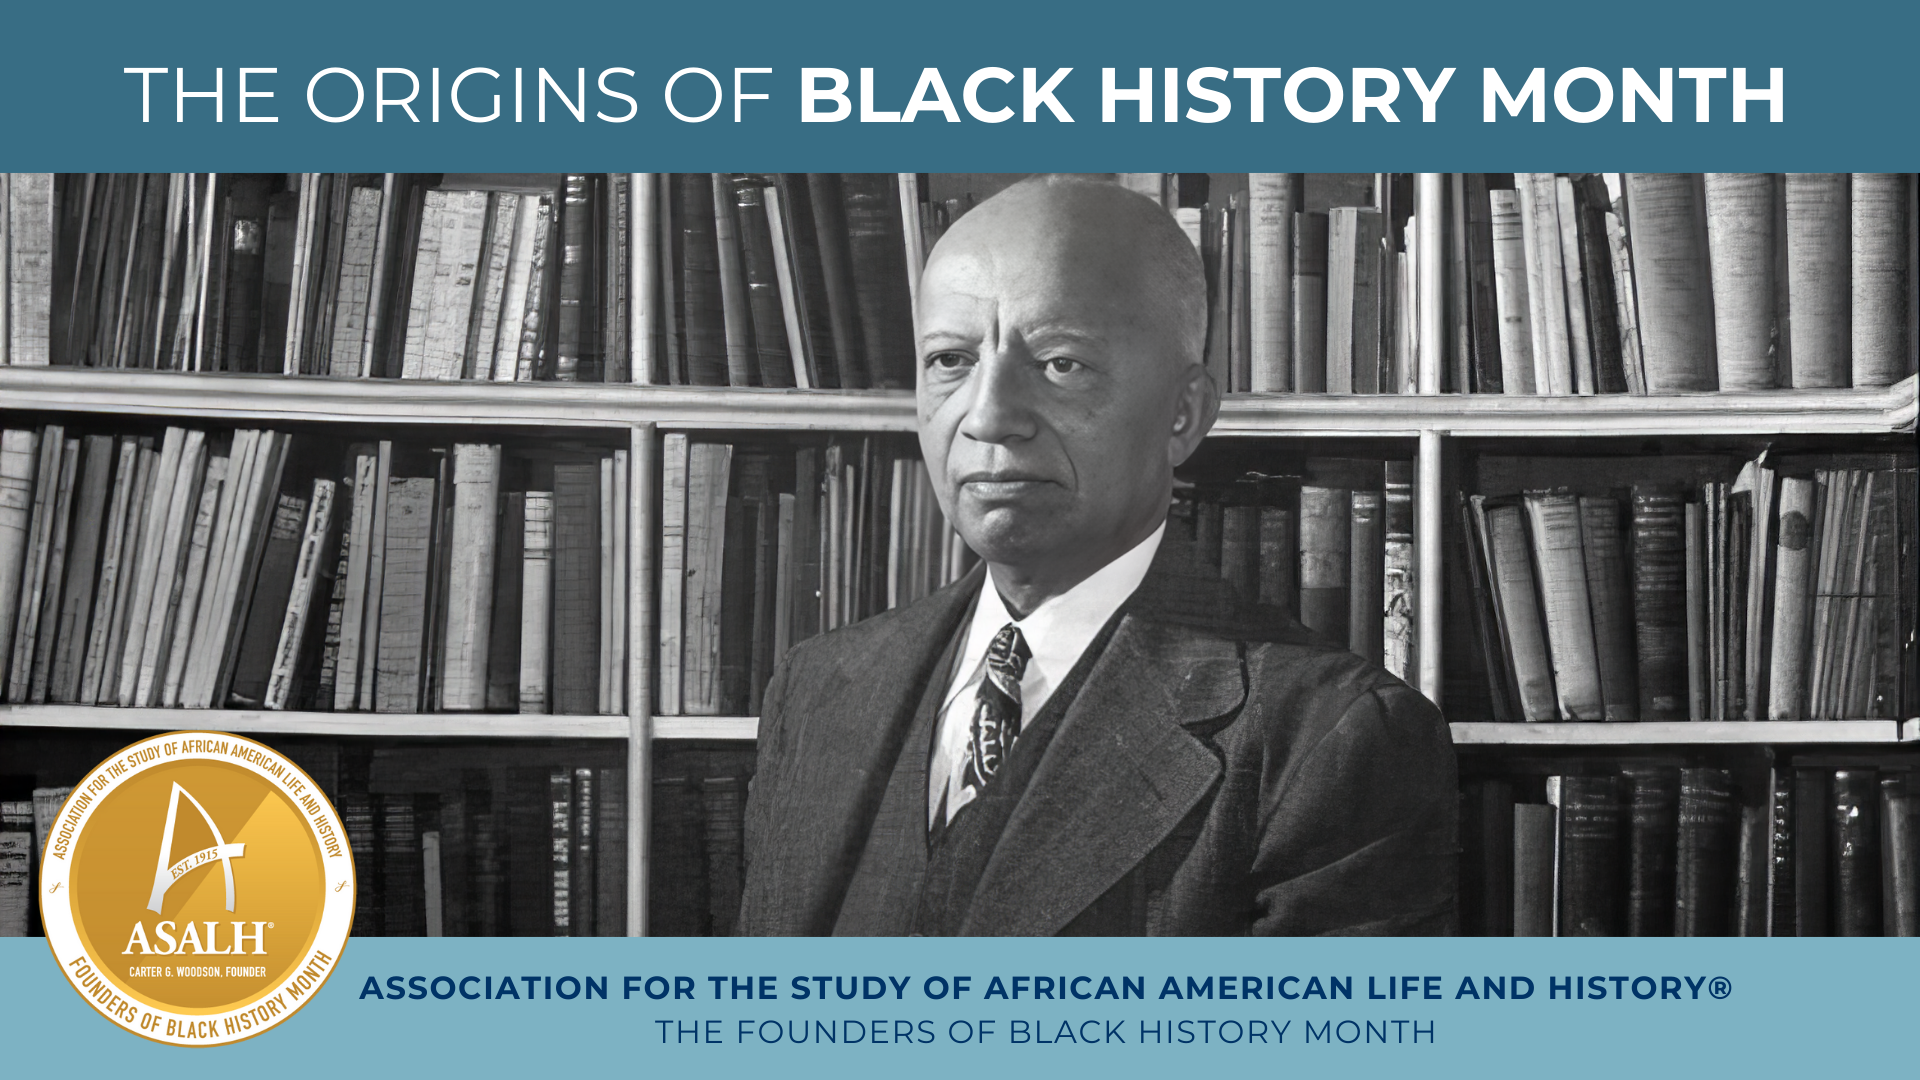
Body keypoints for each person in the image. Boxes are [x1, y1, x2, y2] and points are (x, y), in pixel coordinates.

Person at [736, 175, 1456, 936]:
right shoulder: (814, 692)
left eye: (1060, 364)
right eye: (950, 360)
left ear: (1183, 415)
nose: (987, 417)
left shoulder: (1332, 740)